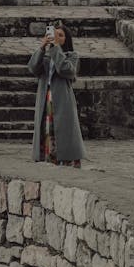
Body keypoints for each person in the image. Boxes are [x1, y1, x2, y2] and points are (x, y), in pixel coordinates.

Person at [28, 21, 85, 167]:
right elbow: (33, 68)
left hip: (62, 99)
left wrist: (56, 49)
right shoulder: (46, 56)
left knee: (63, 129)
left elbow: (66, 70)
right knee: (46, 129)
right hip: (45, 97)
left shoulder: (72, 56)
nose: (57, 37)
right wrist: (42, 47)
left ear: (66, 39)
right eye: (55, 34)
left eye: (61, 35)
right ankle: (47, 157)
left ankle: (67, 159)